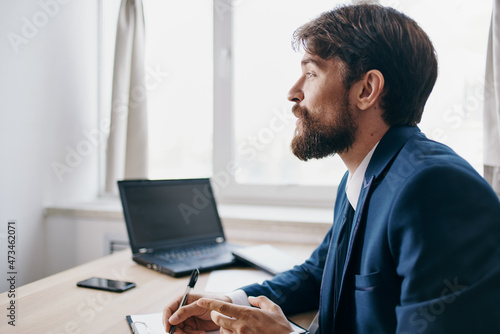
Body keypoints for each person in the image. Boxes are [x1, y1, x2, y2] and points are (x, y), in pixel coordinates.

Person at [163, 4, 500, 333]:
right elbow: (317, 273)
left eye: (311, 73)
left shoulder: (435, 188)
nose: (293, 93)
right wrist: (228, 303)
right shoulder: (361, 177)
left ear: (366, 89)